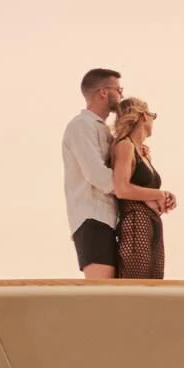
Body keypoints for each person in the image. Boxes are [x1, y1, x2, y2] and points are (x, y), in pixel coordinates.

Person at [62, 68, 123, 279]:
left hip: (108, 219)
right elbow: (97, 175)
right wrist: (136, 192)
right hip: (92, 218)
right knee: (102, 296)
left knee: (114, 296)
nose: (122, 95)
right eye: (119, 89)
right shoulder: (81, 126)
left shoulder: (102, 129)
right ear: (104, 92)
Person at [109, 96, 175, 279]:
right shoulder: (125, 145)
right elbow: (121, 189)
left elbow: (139, 189)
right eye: (152, 115)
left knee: (154, 286)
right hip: (136, 222)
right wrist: (159, 194)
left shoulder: (143, 151)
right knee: (136, 285)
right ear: (144, 115)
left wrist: (163, 197)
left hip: (151, 223)